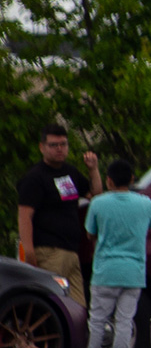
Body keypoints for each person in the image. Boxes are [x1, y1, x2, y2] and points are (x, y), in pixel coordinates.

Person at [83, 159, 151, 348]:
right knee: (125, 321)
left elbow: (90, 234)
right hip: (133, 272)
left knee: (97, 320)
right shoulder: (144, 203)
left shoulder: (98, 203)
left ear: (108, 180)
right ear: (131, 179)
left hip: (105, 271)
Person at [16, 123, 101, 308]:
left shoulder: (70, 172)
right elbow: (24, 216)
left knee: (78, 308)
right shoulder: (35, 178)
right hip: (48, 251)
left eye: (63, 144)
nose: (59, 149)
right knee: (53, 305)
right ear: (42, 147)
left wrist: (93, 169)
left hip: (71, 252)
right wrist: (29, 253)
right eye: (54, 145)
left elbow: (95, 195)